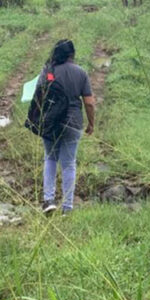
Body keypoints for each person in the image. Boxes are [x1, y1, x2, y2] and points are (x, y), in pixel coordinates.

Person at [38, 39, 95, 215]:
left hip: (50, 122)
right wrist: (91, 123)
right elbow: (89, 103)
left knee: (50, 158)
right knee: (69, 164)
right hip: (73, 123)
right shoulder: (81, 73)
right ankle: (67, 208)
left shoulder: (48, 71)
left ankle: (49, 200)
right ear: (72, 54)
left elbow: (39, 96)